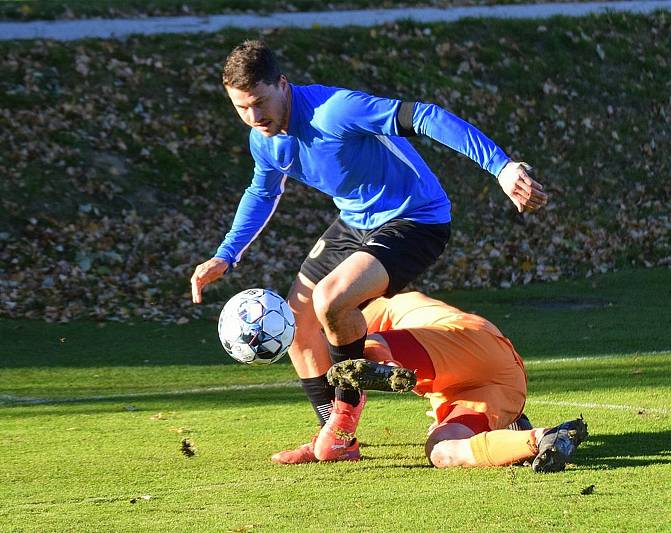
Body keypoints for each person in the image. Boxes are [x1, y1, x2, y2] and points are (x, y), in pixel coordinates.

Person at [190, 40, 549, 461]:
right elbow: (262, 192)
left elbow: (426, 115)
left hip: (417, 219)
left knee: (332, 300)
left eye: (259, 102)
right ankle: (338, 439)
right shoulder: (263, 140)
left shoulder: (336, 111)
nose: (254, 117)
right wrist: (226, 254)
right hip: (356, 222)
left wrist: (502, 166)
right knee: (297, 323)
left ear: (283, 85)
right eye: (241, 108)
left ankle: (345, 414)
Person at [273, 291, 589, 472]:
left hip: (467, 343)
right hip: (494, 386)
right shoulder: (389, 305)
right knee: (441, 451)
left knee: (363, 347)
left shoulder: (384, 307)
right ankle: (543, 438)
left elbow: (352, 342)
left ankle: (385, 366)